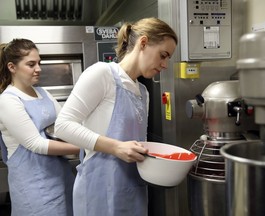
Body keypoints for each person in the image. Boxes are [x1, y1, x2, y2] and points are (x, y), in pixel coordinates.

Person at [55, 17, 178, 216]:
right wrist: (117, 147)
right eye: (163, 55)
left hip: (132, 191)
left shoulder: (143, 93)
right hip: (99, 192)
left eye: (168, 59)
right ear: (143, 43)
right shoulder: (103, 74)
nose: (164, 65)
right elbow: (63, 125)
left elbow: (137, 144)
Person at [0, 38, 80, 216]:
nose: (39, 69)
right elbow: (37, 144)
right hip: (33, 186)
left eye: (39, 63)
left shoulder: (42, 92)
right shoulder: (8, 100)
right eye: (31, 64)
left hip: (60, 177)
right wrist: (87, 146)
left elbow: (65, 124)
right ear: (12, 67)